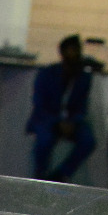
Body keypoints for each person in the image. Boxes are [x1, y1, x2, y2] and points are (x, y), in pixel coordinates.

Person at [27, 34, 96, 182]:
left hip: (72, 121)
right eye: (71, 50)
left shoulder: (83, 78)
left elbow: (82, 106)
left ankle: (61, 174)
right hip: (48, 119)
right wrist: (58, 121)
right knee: (44, 140)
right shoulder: (47, 74)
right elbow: (39, 103)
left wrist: (73, 121)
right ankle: (40, 175)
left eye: (77, 50)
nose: (74, 54)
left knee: (88, 140)